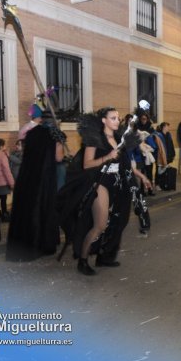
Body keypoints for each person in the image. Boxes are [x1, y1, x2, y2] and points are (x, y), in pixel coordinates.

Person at [57, 107, 134, 275]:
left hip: (117, 183)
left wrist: (141, 176)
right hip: (101, 183)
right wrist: (107, 157)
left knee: (115, 222)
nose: (117, 120)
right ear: (103, 120)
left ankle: (103, 257)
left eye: (118, 117)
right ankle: (83, 261)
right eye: (113, 118)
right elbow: (87, 164)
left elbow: (124, 163)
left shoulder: (118, 138)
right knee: (99, 225)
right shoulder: (94, 139)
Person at [6, 111, 65, 262]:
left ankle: (23, 247)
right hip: (44, 178)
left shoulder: (30, 133)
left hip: (27, 177)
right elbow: (59, 157)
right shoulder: (55, 134)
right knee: (42, 209)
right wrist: (60, 143)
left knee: (27, 210)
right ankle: (42, 246)